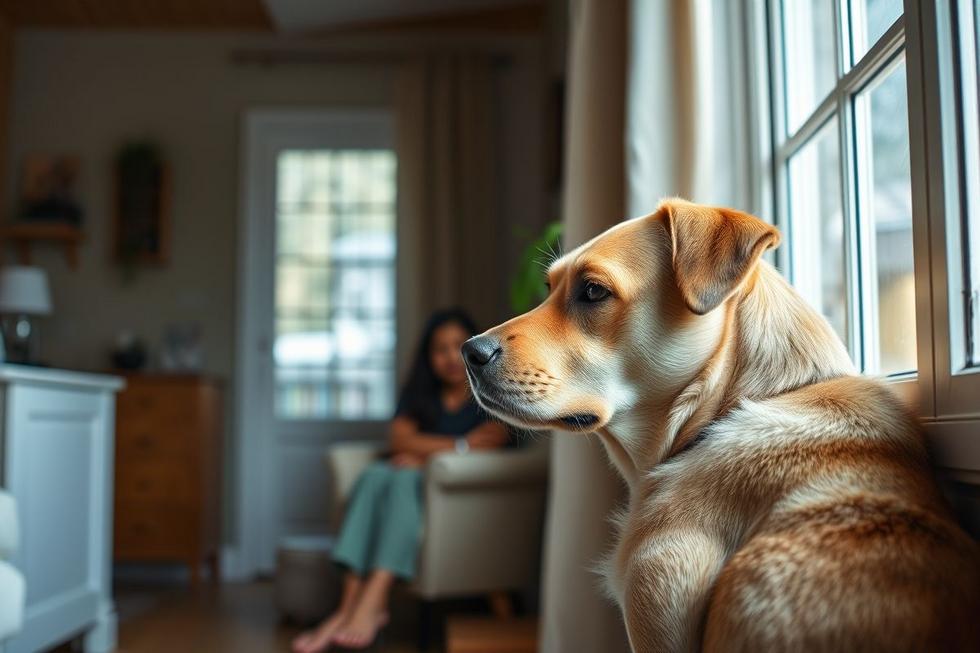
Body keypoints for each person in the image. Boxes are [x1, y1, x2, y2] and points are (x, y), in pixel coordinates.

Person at [293, 308, 510, 653]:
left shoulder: (489, 394)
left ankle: (374, 598)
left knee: (403, 478)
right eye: (439, 349)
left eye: (457, 346)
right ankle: (348, 607)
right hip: (404, 484)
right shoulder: (421, 395)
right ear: (428, 357)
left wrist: (426, 457)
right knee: (377, 474)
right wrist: (460, 445)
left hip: (450, 501)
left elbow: (493, 440)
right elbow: (399, 441)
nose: (449, 357)